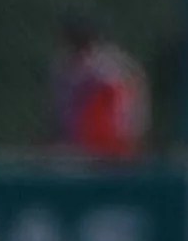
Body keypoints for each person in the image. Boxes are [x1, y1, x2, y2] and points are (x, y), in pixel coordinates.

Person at [50, 14, 149, 159]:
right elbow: (62, 113)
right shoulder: (65, 69)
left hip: (113, 144)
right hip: (79, 145)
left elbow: (131, 109)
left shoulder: (109, 66)